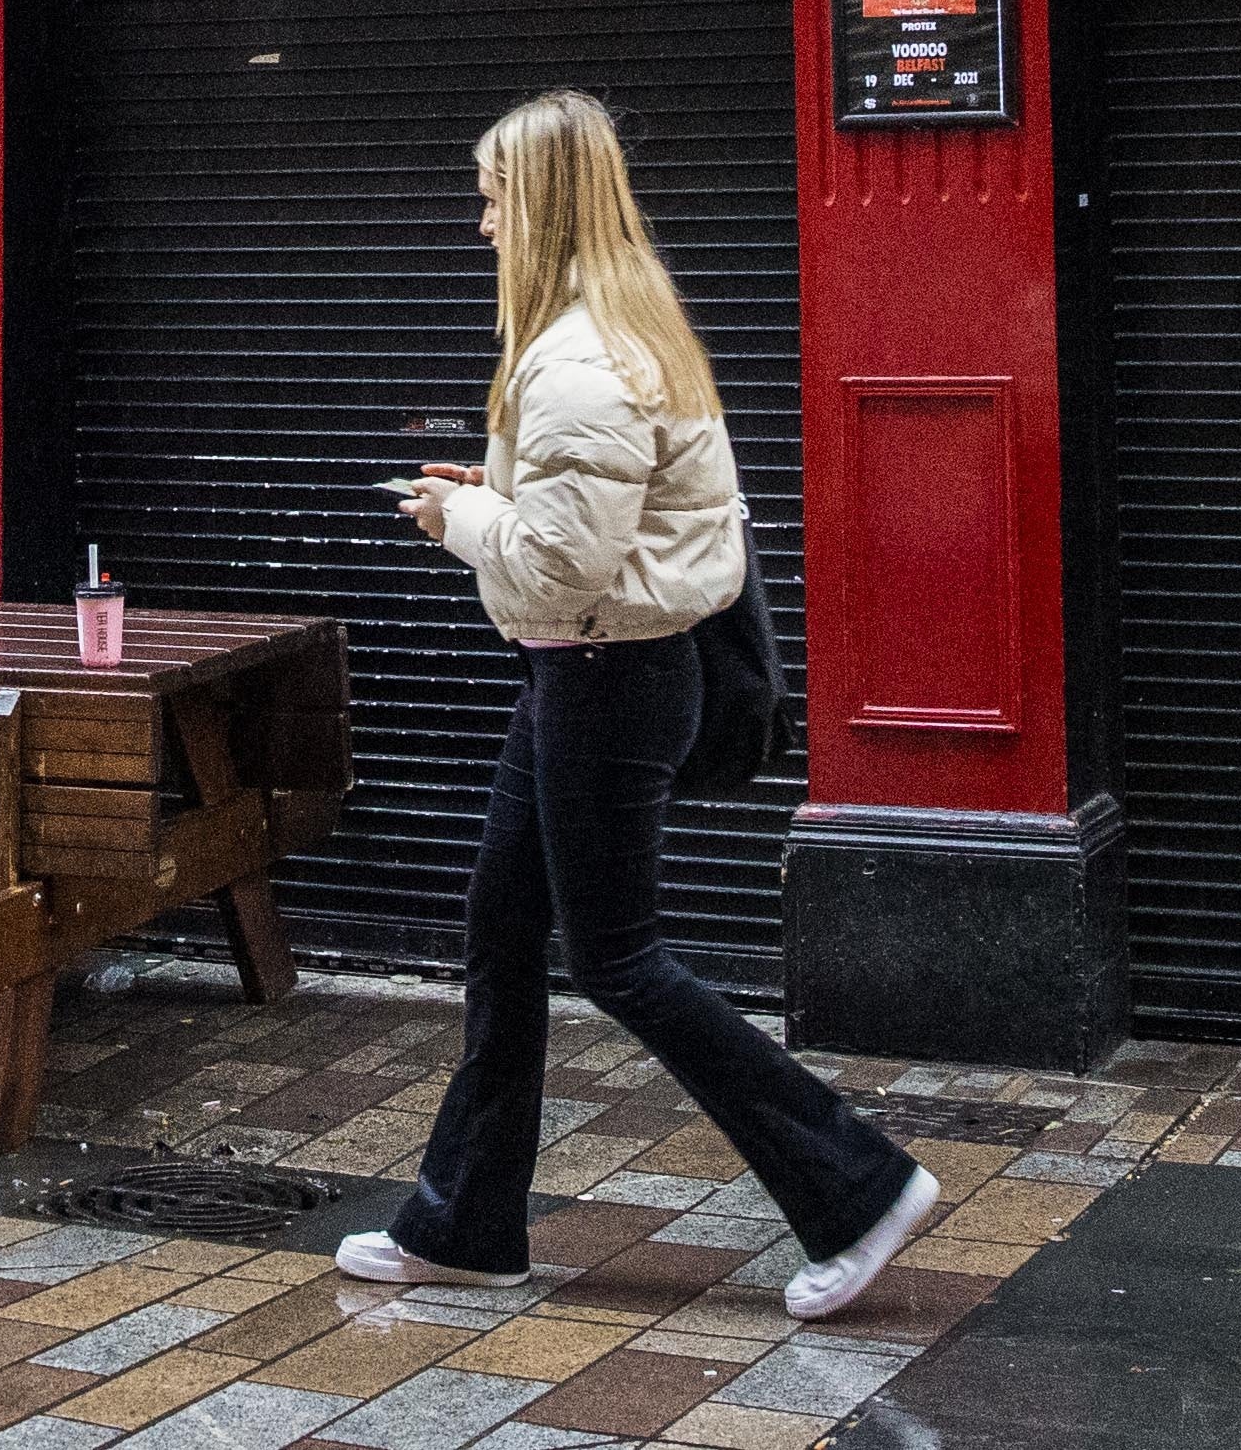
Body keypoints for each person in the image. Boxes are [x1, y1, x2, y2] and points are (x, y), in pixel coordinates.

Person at [340, 89, 941, 1323]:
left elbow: (560, 563)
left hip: (606, 677)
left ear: (543, 205)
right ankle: (465, 1227)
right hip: (582, 667)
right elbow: (586, 524)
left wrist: (455, 517)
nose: (481, 221)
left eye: (495, 196)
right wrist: (487, 489)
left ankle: (859, 1188)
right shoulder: (615, 327)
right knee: (502, 933)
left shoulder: (576, 360)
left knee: (619, 959)